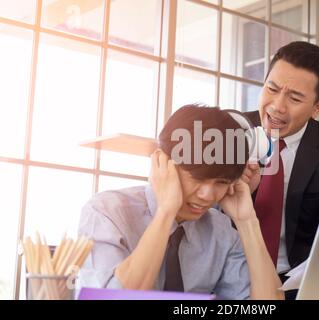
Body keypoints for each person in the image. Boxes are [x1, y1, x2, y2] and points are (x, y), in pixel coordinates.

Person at [77, 105, 284, 300]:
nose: (207, 195)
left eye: (221, 182)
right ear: (161, 162)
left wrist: (247, 222)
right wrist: (166, 212)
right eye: (197, 178)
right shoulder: (106, 212)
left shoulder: (220, 232)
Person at [243, 41, 319, 298]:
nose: (277, 106)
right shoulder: (231, 132)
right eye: (271, 89)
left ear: (318, 107)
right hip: (232, 271)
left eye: (295, 98)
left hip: (297, 282)